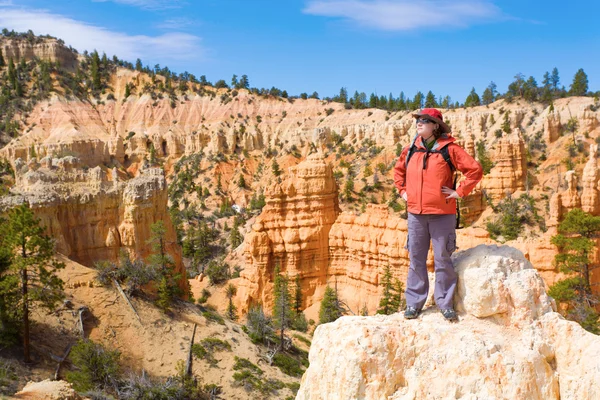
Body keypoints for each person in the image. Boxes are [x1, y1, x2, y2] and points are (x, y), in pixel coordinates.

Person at [393, 108, 482, 321]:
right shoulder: (411, 149)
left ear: (436, 126)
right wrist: (403, 191)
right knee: (416, 258)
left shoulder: (449, 149)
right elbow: (398, 172)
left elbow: (474, 170)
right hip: (416, 214)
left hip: (442, 214)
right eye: (418, 120)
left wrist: (458, 192)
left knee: (442, 258)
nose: (419, 123)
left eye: (425, 120)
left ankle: (445, 303)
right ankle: (414, 304)